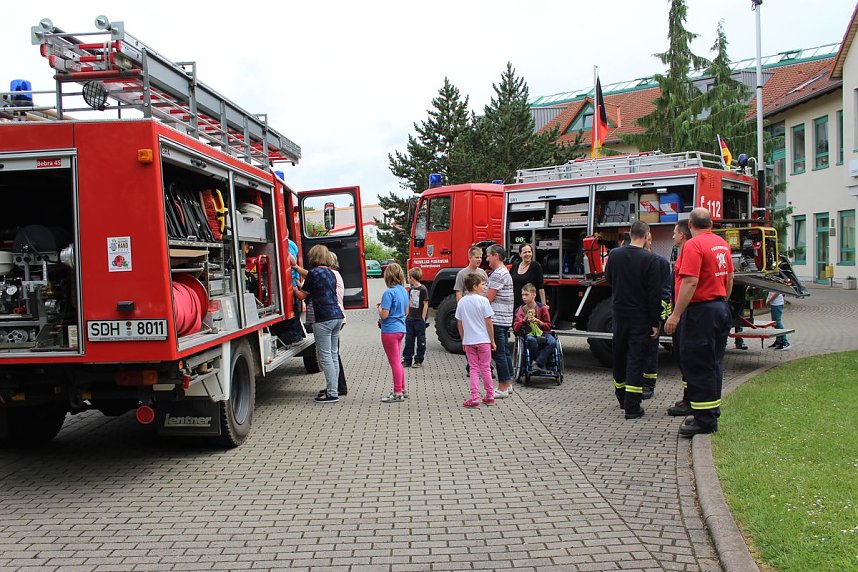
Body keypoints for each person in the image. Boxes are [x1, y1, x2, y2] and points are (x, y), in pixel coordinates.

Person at [665, 208, 734, 437]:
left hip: (701, 312)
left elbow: (690, 282)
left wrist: (675, 315)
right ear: (711, 223)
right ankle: (711, 410)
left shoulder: (694, 245)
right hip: (719, 308)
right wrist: (722, 299)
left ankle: (704, 420)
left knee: (697, 364)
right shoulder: (721, 244)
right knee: (713, 363)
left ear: (691, 224)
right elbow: (730, 278)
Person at [605, 220, 661, 419]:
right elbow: (654, 294)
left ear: (629, 234)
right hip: (641, 317)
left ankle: (621, 397)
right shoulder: (650, 260)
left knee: (619, 355)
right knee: (636, 359)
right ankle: (632, 406)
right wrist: (656, 322)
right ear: (647, 235)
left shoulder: (614, 255)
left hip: (619, 314)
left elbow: (609, 278)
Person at [293, 245, 343, 403]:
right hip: (337, 316)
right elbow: (317, 289)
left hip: (323, 318)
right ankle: (334, 390)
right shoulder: (331, 273)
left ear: (313, 257)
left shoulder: (314, 273)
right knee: (333, 355)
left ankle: (332, 393)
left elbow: (302, 295)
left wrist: (293, 288)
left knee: (325, 356)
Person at [455, 273, 496, 408]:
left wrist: (463, 340)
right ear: (475, 286)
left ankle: (474, 397)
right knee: (486, 368)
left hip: (469, 341)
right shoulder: (484, 301)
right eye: (482, 284)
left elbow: (459, 324)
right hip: (483, 340)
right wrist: (492, 340)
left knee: (473, 369)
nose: (484, 287)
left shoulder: (462, 302)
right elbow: (488, 322)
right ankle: (490, 396)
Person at [667, 220, 693, 417]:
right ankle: (688, 397)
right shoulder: (683, 251)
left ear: (683, 235)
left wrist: (675, 315)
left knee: (687, 358)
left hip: (685, 314)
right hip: (685, 313)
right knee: (683, 357)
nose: (673, 236)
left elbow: (689, 283)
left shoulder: (688, 252)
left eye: (675, 233)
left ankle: (690, 400)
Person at [642, 233, 672, 400]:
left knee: (651, 350)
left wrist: (658, 318)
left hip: (652, 314)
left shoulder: (660, 262)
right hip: (637, 314)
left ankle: (649, 384)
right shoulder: (636, 261)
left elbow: (665, 291)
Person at [485, 244, 515, 398]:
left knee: (498, 354)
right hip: (505, 318)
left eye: (488, 255)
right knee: (504, 353)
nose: (487, 258)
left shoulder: (498, 274)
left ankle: (502, 387)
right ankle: (508, 384)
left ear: (496, 255)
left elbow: (489, 298)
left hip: (497, 318)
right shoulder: (505, 272)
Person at [378, 263, 409, 403]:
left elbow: (384, 315)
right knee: (398, 361)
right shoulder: (403, 291)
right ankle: (402, 389)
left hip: (389, 330)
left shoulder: (388, 293)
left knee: (394, 362)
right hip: (401, 328)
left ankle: (397, 392)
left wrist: (379, 309)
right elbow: (407, 312)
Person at [513, 283, 556, 373]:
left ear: (534, 295)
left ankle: (537, 363)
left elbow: (548, 326)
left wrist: (538, 322)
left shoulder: (542, 308)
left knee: (552, 341)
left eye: (526, 294)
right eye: (522, 295)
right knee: (531, 340)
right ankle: (538, 364)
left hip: (543, 332)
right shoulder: (520, 310)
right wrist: (524, 320)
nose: (524, 297)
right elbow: (516, 328)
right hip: (528, 333)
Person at [402, 267, 429, 368]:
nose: (408, 279)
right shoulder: (411, 289)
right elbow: (409, 302)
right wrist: (407, 314)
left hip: (419, 319)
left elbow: (425, 304)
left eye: (408, 277)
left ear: (412, 277)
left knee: (420, 340)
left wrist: (423, 317)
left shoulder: (423, 289)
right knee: (409, 340)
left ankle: (418, 360)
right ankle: (407, 359)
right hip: (410, 319)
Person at [511, 243, 547, 310]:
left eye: (529, 252)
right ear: (520, 254)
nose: (527, 254)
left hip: (531, 306)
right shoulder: (515, 266)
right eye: (525, 252)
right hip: (516, 304)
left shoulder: (536, 266)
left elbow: (541, 288)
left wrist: (543, 305)